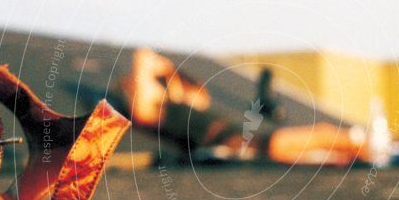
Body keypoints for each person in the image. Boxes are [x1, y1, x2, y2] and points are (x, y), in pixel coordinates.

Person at [116, 47, 370, 166]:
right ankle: (379, 145)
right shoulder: (154, 111)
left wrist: (171, 76)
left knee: (327, 154)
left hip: (243, 139)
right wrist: (161, 71)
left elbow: (199, 94)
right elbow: (142, 56)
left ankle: (375, 147)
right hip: (237, 142)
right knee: (321, 134)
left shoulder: (186, 104)